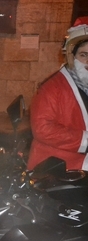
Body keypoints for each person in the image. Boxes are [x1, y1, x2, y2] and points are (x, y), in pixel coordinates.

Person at [28, 17, 88, 171]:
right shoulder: (51, 87)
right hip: (58, 167)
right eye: (84, 55)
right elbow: (42, 128)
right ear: (71, 56)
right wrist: (85, 141)